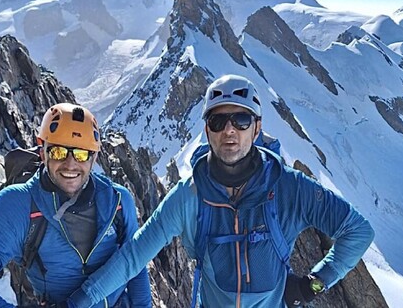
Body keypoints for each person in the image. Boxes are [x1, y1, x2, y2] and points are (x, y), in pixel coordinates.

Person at [67, 74, 375, 308]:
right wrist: (79, 300)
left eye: (241, 119)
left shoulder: (288, 188)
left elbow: (358, 230)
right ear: (207, 131)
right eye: (218, 120)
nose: (229, 130)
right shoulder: (189, 196)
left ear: (257, 128)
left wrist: (313, 285)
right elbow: (134, 256)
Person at [0, 103, 152, 308]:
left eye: (81, 154)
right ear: (43, 151)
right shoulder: (18, 205)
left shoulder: (118, 200)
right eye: (58, 152)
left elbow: (135, 265)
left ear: (94, 156)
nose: (71, 164)